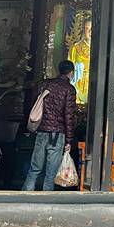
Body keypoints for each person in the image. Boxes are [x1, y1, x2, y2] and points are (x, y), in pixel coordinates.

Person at [22, 60, 77, 191]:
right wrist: (69, 141)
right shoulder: (69, 89)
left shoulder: (46, 84)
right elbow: (69, 117)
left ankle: (26, 194)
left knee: (35, 168)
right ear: (71, 73)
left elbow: (35, 105)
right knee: (51, 172)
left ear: (59, 70)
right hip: (57, 134)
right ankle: (46, 197)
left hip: (42, 131)